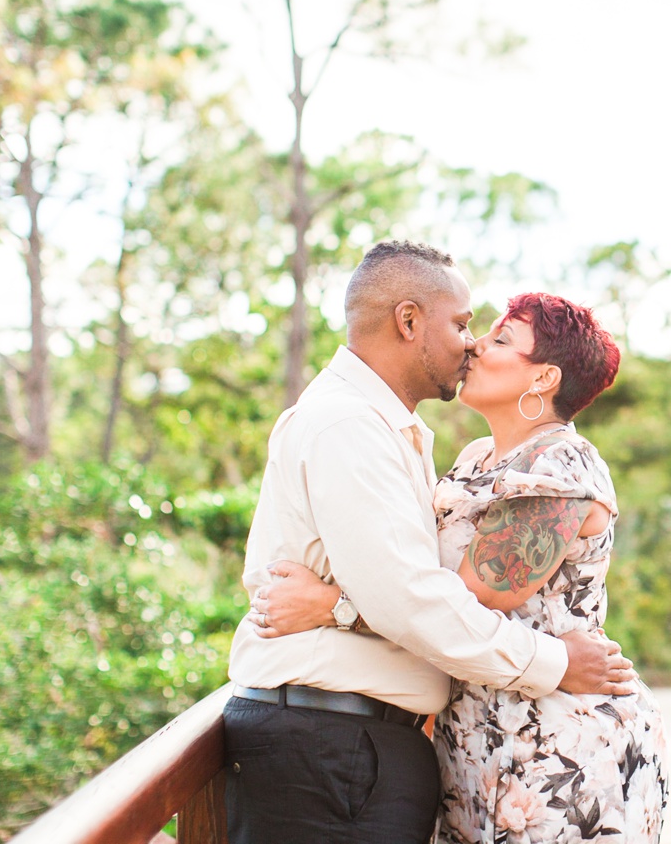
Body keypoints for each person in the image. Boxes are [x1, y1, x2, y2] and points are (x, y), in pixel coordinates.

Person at [224, 242, 636, 844]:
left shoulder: (540, 461)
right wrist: (557, 663)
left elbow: (437, 594)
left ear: (543, 377)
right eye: (466, 326)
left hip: (524, 746)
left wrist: (335, 606)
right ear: (409, 321)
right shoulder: (355, 426)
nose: (472, 344)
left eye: (491, 336)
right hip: (341, 742)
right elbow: (415, 601)